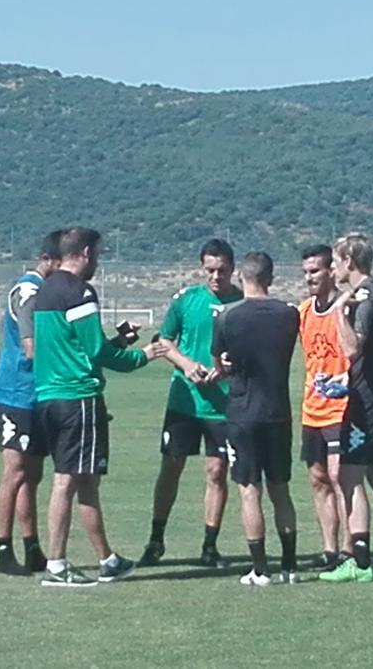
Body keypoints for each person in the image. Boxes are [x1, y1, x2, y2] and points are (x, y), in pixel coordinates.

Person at [31, 226, 167, 587]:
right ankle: (56, 565)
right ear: (87, 253)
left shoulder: (47, 291)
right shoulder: (80, 291)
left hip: (49, 397)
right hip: (78, 399)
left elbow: (77, 346)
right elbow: (97, 353)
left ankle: (107, 559)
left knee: (86, 479)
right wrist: (142, 355)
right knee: (66, 481)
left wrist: (117, 340)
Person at [139, 239, 243, 568]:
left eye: (222, 270)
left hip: (222, 405)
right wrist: (186, 364)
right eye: (210, 270)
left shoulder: (242, 303)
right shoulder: (187, 300)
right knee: (171, 466)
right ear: (202, 268)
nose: (216, 276)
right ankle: (156, 540)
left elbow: (252, 351)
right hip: (184, 401)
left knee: (216, 472)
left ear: (233, 269)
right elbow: (163, 341)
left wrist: (226, 370)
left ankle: (209, 546)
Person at [211, 252, 300, 586]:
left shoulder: (226, 317)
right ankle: (290, 566)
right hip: (278, 411)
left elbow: (221, 364)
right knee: (281, 490)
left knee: (250, 491)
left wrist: (224, 368)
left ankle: (260, 569)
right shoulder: (289, 315)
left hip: (242, 413)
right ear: (271, 278)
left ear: (240, 277)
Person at [320, 233, 373, 583]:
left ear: (349, 262)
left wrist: (340, 312)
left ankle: (361, 561)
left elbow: (353, 349)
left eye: (336, 261)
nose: (333, 268)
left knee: (349, 476)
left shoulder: (366, 296)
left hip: (369, 405)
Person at [0, 230, 61, 576]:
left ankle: (32, 547)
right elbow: (31, 347)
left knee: (33, 474)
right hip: (16, 392)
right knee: (14, 471)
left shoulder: (43, 291)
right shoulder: (28, 292)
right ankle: (4, 550)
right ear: (48, 260)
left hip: (37, 393)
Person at [297, 244, 352, 571]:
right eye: (305, 272)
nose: (309, 278)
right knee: (318, 478)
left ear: (331, 270)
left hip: (342, 407)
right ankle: (329, 549)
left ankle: (349, 547)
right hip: (311, 409)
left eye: (315, 271)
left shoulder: (346, 306)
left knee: (339, 476)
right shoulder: (304, 312)